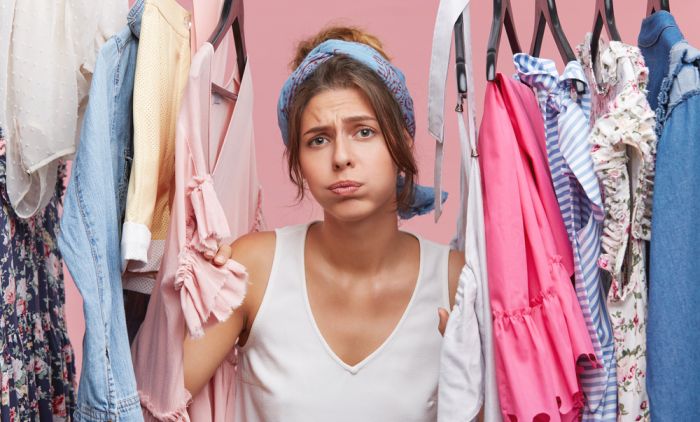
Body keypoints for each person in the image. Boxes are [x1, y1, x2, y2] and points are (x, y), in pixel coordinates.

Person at [183, 26, 464, 421]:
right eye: (318, 139)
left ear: (402, 142)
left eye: (364, 132)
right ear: (298, 160)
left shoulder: (455, 282)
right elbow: (153, 402)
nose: (341, 157)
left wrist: (468, 381)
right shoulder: (254, 269)